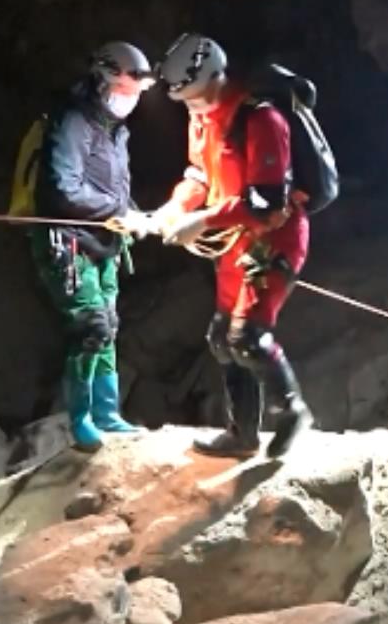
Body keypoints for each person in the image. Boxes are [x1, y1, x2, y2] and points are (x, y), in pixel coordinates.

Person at [150, 34, 313, 459]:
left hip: (273, 237)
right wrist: (172, 209)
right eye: (183, 98)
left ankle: (293, 411)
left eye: (194, 93)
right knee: (222, 337)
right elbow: (199, 176)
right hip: (236, 241)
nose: (190, 103)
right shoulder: (201, 120)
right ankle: (242, 435)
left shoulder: (261, 119)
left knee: (248, 336)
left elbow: (267, 203)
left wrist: (202, 220)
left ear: (215, 77)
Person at [31, 42, 157, 453]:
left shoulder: (114, 130)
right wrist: (118, 209)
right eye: (126, 89)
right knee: (91, 328)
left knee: (109, 327)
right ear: (103, 80)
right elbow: (64, 188)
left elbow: (113, 188)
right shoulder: (73, 122)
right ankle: (81, 419)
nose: (131, 99)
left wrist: (138, 215)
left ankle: (107, 414)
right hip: (68, 243)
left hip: (104, 244)